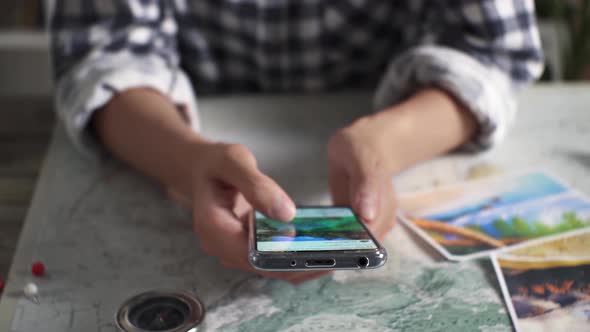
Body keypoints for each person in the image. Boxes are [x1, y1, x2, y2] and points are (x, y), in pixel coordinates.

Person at [48, 0, 543, 283]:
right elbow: (101, 57)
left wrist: (386, 143)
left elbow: (491, 52)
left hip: (390, 119)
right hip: (176, 136)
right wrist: (188, 161)